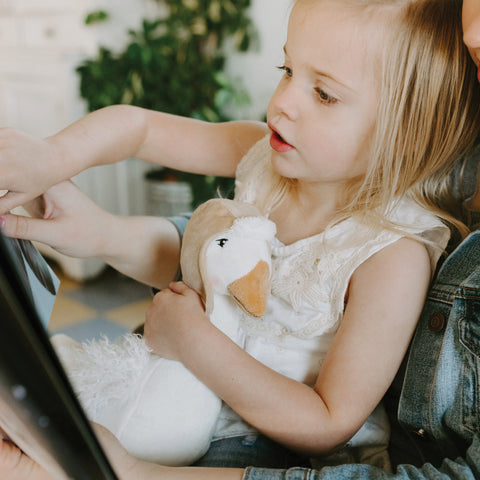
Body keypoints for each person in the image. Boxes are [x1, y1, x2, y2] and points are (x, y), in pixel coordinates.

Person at [0, 0, 479, 479]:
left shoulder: (392, 253)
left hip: (268, 448)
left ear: (407, 132)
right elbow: (141, 128)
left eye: (325, 94)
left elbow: (327, 422)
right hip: (181, 388)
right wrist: (54, 156)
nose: (283, 102)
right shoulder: (265, 161)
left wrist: (196, 345)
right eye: (287, 69)